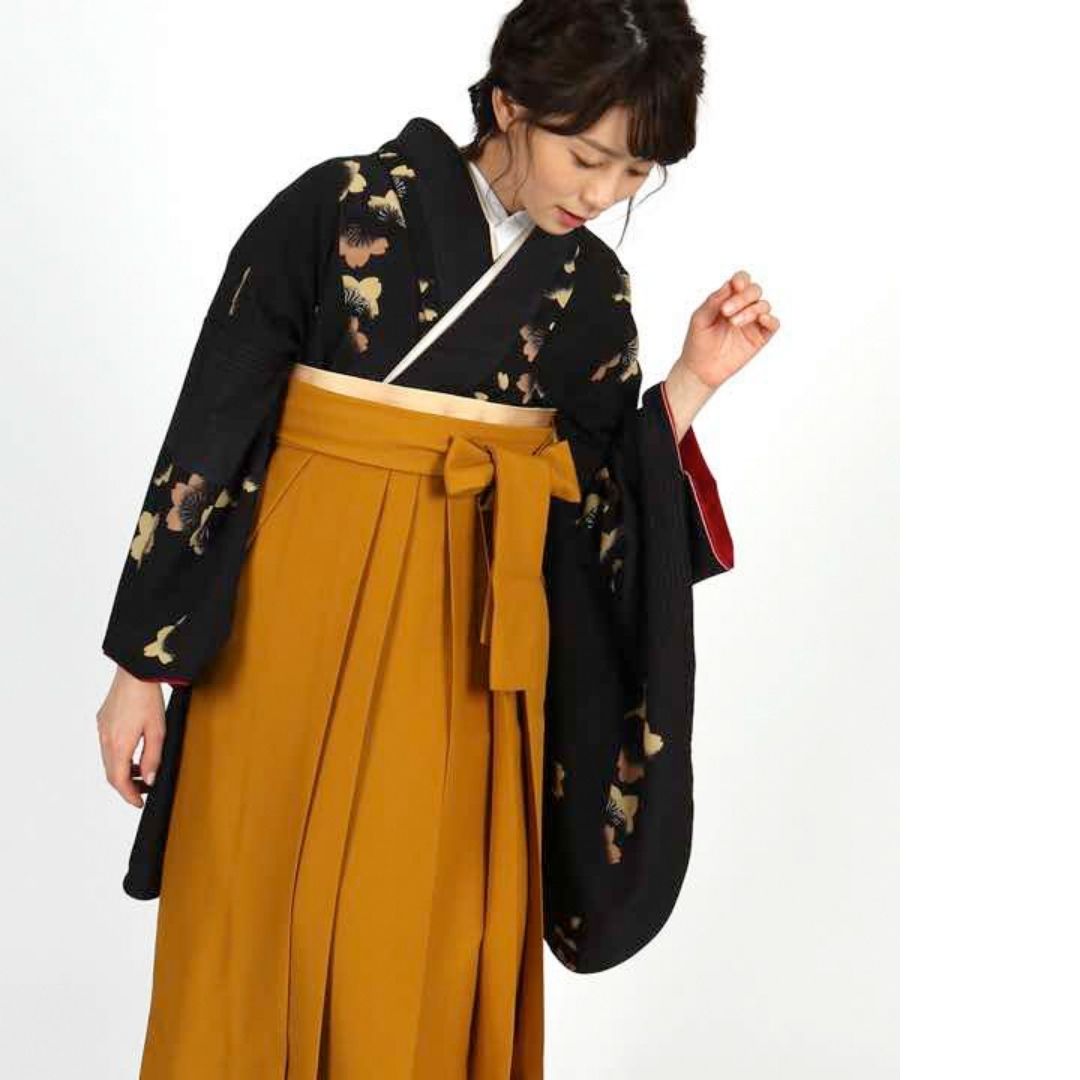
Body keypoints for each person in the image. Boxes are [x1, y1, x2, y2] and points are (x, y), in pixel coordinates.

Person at [95, 1, 780, 1075]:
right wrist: (142, 666)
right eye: (586, 156)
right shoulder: (337, 210)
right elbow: (216, 423)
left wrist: (691, 382)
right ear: (509, 104)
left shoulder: (591, 297)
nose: (603, 194)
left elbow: (599, 509)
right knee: (252, 912)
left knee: (424, 931)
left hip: (467, 653)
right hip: (285, 626)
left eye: (635, 172)